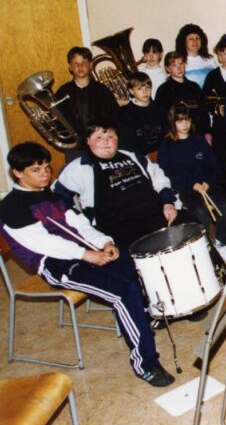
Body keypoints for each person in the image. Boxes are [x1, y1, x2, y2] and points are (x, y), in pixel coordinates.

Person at [0, 141, 175, 387]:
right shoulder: (11, 208)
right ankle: (145, 363)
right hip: (56, 265)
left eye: (47, 168)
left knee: (135, 263)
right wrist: (86, 255)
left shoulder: (49, 193)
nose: (45, 175)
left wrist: (104, 242)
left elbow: (81, 224)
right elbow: (46, 245)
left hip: (85, 251)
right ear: (18, 173)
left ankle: (142, 319)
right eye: (36, 170)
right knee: (122, 291)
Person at [53, 120, 182, 253]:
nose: (106, 141)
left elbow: (159, 178)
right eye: (99, 137)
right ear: (88, 141)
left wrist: (168, 202)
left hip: (155, 215)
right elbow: (57, 199)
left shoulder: (132, 156)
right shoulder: (78, 168)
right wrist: (86, 227)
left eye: (110, 137)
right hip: (116, 227)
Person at [158, 103, 226, 265]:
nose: (184, 124)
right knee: (200, 213)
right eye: (180, 121)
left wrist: (207, 182)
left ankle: (222, 243)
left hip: (206, 185)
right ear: (173, 123)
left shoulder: (198, 140)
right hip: (185, 188)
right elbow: (167, 174)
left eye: (186, 120)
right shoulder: (166, 145)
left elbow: (214, 165)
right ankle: (205, 248)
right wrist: (191, 184)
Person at [55, 46, 120, 160]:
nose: (80, 66)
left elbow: (114, 117)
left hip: (100, 144)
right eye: (75, 63)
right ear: (70, 67)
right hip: (74, 146)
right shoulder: (63, 92)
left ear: (90, 65)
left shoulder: (103, 90)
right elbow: (58, 119)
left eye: (84, 62)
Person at [202, 34, 226, 192]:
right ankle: (224, 197)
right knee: (220, 162)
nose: (223, 57)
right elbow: (206, 100)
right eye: (220, 53)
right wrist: (217, 108)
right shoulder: (212, 75)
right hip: (219, 126)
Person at [154, 51, 211, 143]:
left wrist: (207, 135)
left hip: (198, 136)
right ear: (167, 69)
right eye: (174, 65)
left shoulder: (194, 86)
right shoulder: (163, 90)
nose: (179, 68)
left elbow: (204, 113)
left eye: (181, 63)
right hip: (176, 138)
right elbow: (161, 118)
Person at [119, 71, 166, 157]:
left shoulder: (159, 109)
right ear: (131, 91)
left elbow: (167, 134)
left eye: (148, 88)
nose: (145, 92)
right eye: (139, 89)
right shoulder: (124, 113)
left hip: (163, 153)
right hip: (142, 156)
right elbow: (127, 142)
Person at [174, 23, 217, 88]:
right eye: (191, 39)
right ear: (184, 42)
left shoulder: (210, 59)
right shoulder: (178, 61)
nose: (195, 41)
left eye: (198, 38)